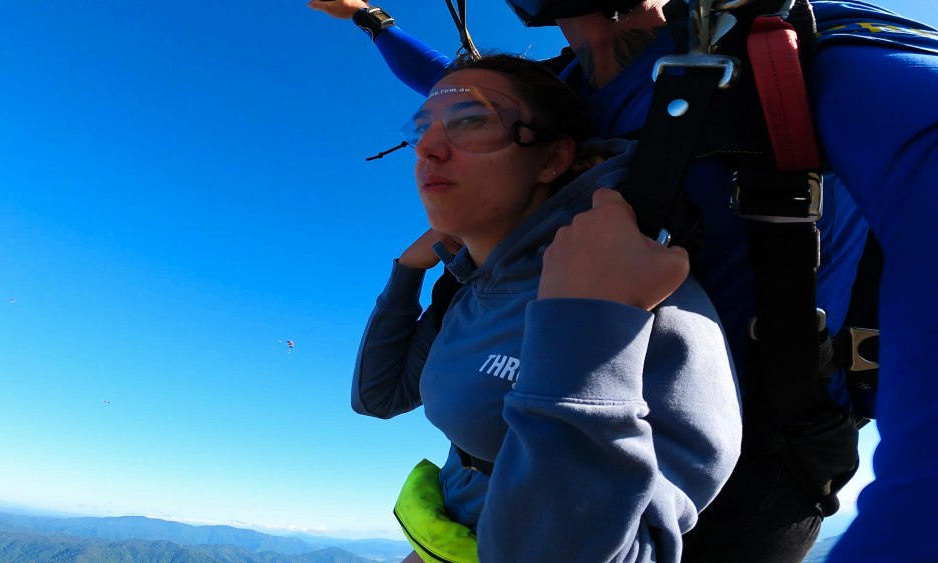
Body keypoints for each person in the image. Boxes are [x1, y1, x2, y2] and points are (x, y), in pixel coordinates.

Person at [310, 0, 938, 561]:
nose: (433, 147)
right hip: (546, 454)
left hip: (749, 480)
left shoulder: (800, 48)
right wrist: (374, 22)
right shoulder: (567, 89)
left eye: (471, 123)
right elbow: (451, 93)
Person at [351, 54, 742, 563]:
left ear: (553, 158)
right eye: (421, 128)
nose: (426, 147)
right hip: (445, 541)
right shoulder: (468, 289)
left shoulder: (635, 289)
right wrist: (407, 271)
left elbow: (630, 548)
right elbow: (377, 397)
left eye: (472, 121)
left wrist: (589, 323)